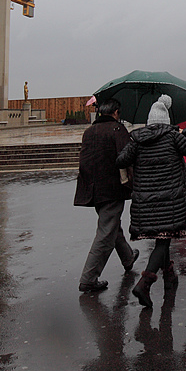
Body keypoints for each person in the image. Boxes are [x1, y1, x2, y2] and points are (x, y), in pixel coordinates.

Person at [116, 95, 186, 308]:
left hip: (145, 202)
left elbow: (120, 160)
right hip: (169, 201)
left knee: (161, 238)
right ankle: (145, 282)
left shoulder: (137, 140)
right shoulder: (174, 137)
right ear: (166, 120)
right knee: (164, 239)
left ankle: (170, 275)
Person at [74, 98, 140, 293]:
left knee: (111, 225)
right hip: (112, 188)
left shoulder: (89, 132)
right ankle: (89, 278)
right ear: (116, 112)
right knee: (106, 231)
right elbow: (127, 158)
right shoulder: (117, 130)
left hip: (93, 189)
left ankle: (127, 257)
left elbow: (84, 162)